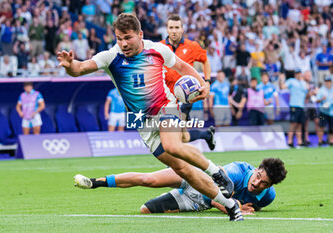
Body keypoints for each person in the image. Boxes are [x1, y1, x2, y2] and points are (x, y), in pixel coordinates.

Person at [57, 13, 242, 221]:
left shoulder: (157, 49)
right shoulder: (111, 57)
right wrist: (69, 66)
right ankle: (231, 206)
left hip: (166, 108)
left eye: (128, 37)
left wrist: (203, 83)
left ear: (140, 34)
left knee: (172, 145)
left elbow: (182, 67)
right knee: (183, 170)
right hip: (142, 123)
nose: (123, 43)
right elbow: (80, 68)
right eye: (119, 38)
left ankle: (217, 172)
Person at [74, 158, 287, 215]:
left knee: (145, 210)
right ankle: (95, 182)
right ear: (257, 168)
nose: (256, 183)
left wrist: (240, 205)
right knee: (148, 180)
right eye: (258, 176)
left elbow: (247, 205)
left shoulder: (268, 197)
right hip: (195, 179)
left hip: (196, 203)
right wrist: (237, 207)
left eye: (263, 183)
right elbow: (216, 198)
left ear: (271, 186)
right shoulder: (238, 171)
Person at [160, 14, 215, 151]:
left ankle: (173, 169)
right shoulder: (159, 47)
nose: (174, 31)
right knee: (184, 137)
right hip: (168, 98)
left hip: (186, 97)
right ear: (167, 29)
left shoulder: (192, 46)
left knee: (174, 133)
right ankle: (207, 135)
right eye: (171, 27)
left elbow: (205, 61)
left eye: (177, 27)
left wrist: (207, 81)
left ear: (182, 29)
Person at [280, 69, 308, 147]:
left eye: (299, 73)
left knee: (299, 124)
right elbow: (282, 87)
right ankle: (289, 141)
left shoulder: (303, 83)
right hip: (294, 105)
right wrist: (280, 80)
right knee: (293, 124)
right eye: (297, 73)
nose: (298, 75)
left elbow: (306, 93)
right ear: (295, 75)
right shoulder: (291, 81)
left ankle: (299, 142)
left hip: (301, 106)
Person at [314, 76, 333, 146]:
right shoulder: (321, 90)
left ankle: (331, 141)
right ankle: (320, 141)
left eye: (328, 81)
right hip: (323, 111)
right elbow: (316, 100)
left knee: (331, 127)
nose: (327, 83)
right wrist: (322, 99)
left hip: (331, 111)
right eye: (326, 81)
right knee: (321, 126)